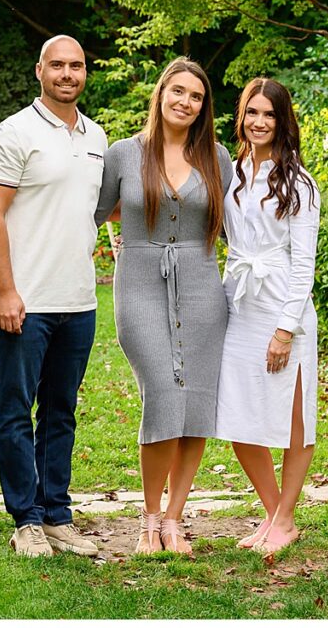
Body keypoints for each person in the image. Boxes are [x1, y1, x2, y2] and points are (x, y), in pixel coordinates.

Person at [94, 58, 234, 555]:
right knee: (162, 394)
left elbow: (239, 226)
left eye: (195, 97)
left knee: (195, 401)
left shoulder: (218, 158)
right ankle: (148, 517)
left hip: (201, 284)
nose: (185, 102)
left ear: (203, 107)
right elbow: (95, 213)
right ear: (160, 94)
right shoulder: (123, 154)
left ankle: (174, 519)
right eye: (178, 92)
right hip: (138, 285)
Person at [0, 35, 106, 558]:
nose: (67, 73)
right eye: (58, 65)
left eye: (76, 66)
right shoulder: (14, 133)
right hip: (24, 304)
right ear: (39, 71)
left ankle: (56, 515)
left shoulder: (96, 136)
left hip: (79, 301)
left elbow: (91, 208)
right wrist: (7, 290)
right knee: (16, 410)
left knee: (61, 412)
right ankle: (25, 519)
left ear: (84, 73)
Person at [214, 78, 321, 556]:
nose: (259, 122)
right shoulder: (231, 172)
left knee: (294, 417)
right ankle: (275, 514)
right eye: (251, 112)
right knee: (239, 418)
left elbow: (304, 263)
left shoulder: (298, 181)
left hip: (283, 304)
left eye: (269, 115)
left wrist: (285, 328)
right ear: (242, 117)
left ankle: (284, 518)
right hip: (240, 303)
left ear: (283, 121)